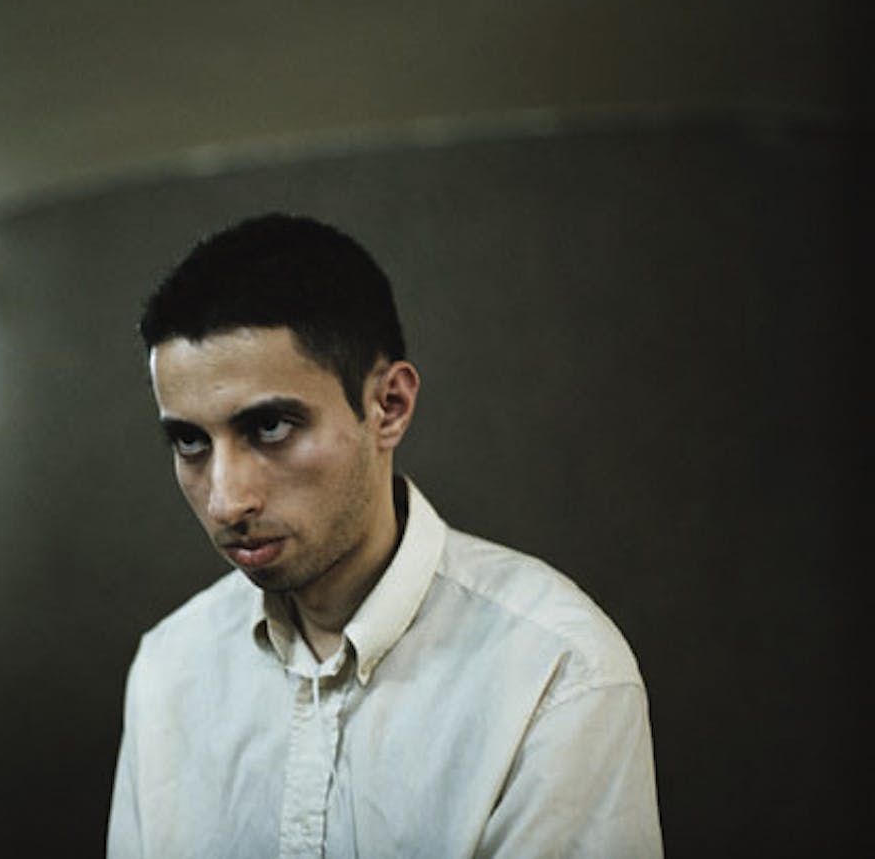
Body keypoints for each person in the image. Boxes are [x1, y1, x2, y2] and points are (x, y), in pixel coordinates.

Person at [108, 213, 663, 858]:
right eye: (190, 441)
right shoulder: (169, 668)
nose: (226, 500)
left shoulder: (556, 671)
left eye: (270, 427)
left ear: (388, 406)